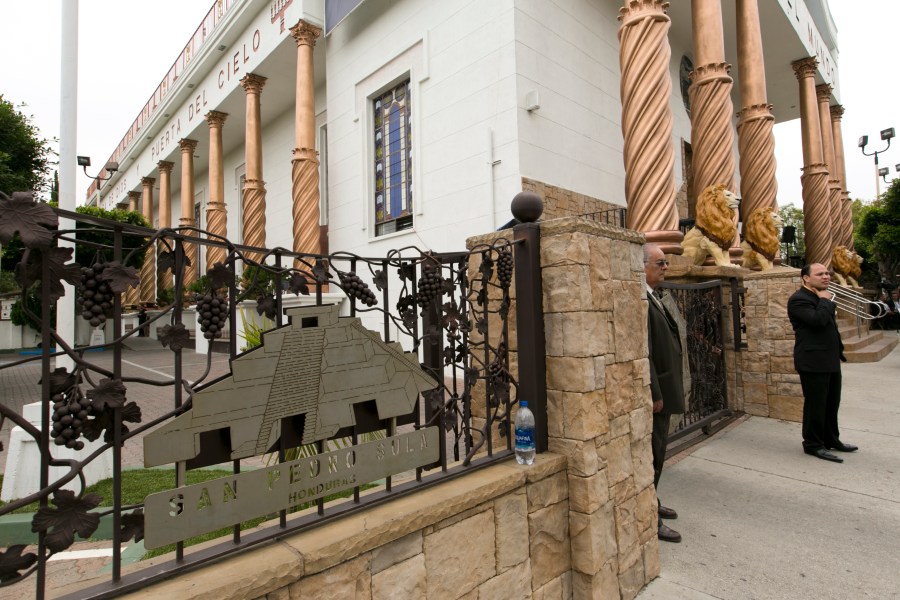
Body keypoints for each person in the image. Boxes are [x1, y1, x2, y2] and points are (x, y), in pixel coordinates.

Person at [787, 263, 857, 463]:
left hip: (830, 359)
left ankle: (831, 439)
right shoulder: (799, 300)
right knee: (816, 405)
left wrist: (839, 352)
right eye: (820, 274)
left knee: (832, 403)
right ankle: (813, 444)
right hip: (812, 361)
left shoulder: (821, 297)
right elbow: (817, 321)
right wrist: (825, 301)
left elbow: (829, 328)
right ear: (806, 278)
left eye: (827, 273)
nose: (826, 276)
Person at [644, 243, 685, 543]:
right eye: (660, 263)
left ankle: (653, 502)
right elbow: (645, 350)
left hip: (667, 386)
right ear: (643, 265)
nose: (665, 267)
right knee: (654, 454)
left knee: (660, 451)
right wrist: (655, 391)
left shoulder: (655, 296)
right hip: (658, 391)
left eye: (666, 263)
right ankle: (650, 516)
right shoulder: (641, 299)